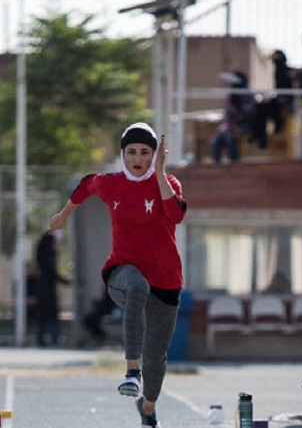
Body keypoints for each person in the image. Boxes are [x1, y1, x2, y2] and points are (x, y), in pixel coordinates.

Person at [48, 122, 187, 428]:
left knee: (157, 361)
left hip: (165, 280)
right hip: (122, 272)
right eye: (132, 152)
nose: (138, 159)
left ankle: (148, 408)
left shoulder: (168, 183)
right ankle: (130, 372)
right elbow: (85, 185)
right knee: (136, 287)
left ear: (154, 155)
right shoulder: (110, 183)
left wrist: (161, 172)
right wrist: (64, 214)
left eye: (145, 153)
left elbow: (175, 215)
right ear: (122, 154)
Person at [210, 70, 257, 162]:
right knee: (215, 141)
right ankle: (217, 165)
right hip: (228, 127)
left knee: (229, 139)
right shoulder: (231, 96)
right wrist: (227, 124)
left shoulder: (247, 96)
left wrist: (235, 121)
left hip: (243, 126)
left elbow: (248, 114)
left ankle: (234, 163)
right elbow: (227, 113)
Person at [35, 231, 70, 347]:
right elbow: (51, 273)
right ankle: (53, 339)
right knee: (51, 314)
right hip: (47, 288)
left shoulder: (42, 253)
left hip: (43, 287)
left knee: (44, 315)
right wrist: (65, 281)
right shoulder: (48, 255)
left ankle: (42, 340)